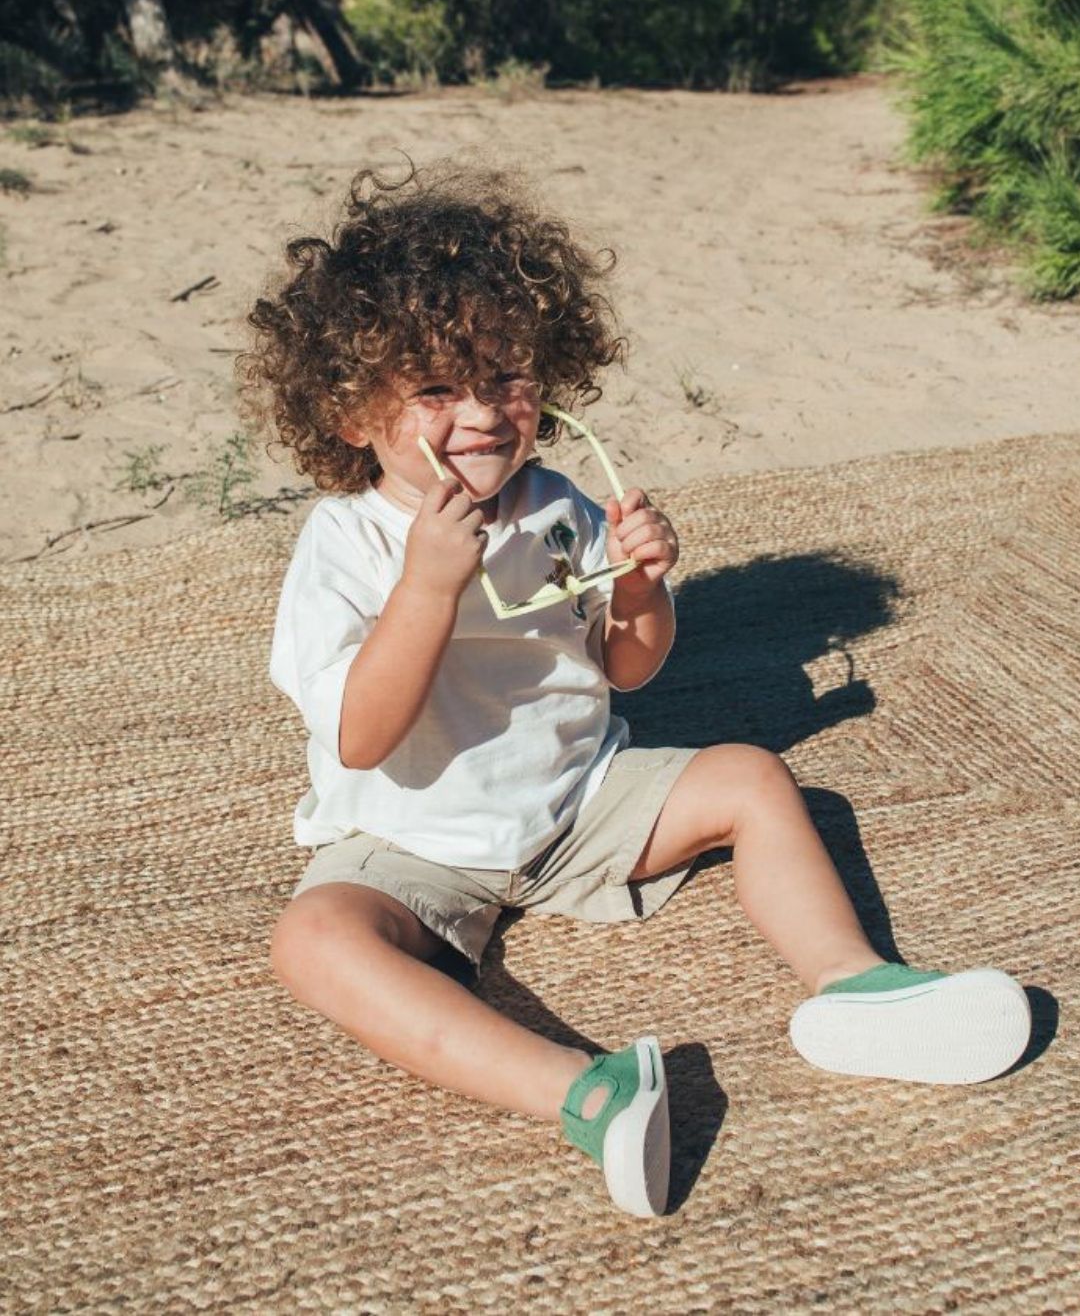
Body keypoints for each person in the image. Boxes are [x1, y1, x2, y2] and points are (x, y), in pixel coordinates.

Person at [240, 160, 1032, 1220]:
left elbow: (624, 668)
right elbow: (362, 736)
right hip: (411, 838)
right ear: (348, 413)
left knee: (752, 777)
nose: (481, 414)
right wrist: (427, 586)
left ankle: (854, 986)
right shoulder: (345, 544)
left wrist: (642, 590)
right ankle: (588, 1091)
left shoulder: (559, 503)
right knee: (315, 942)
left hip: (577, 799)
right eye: (435, 390)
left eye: (506, 377)